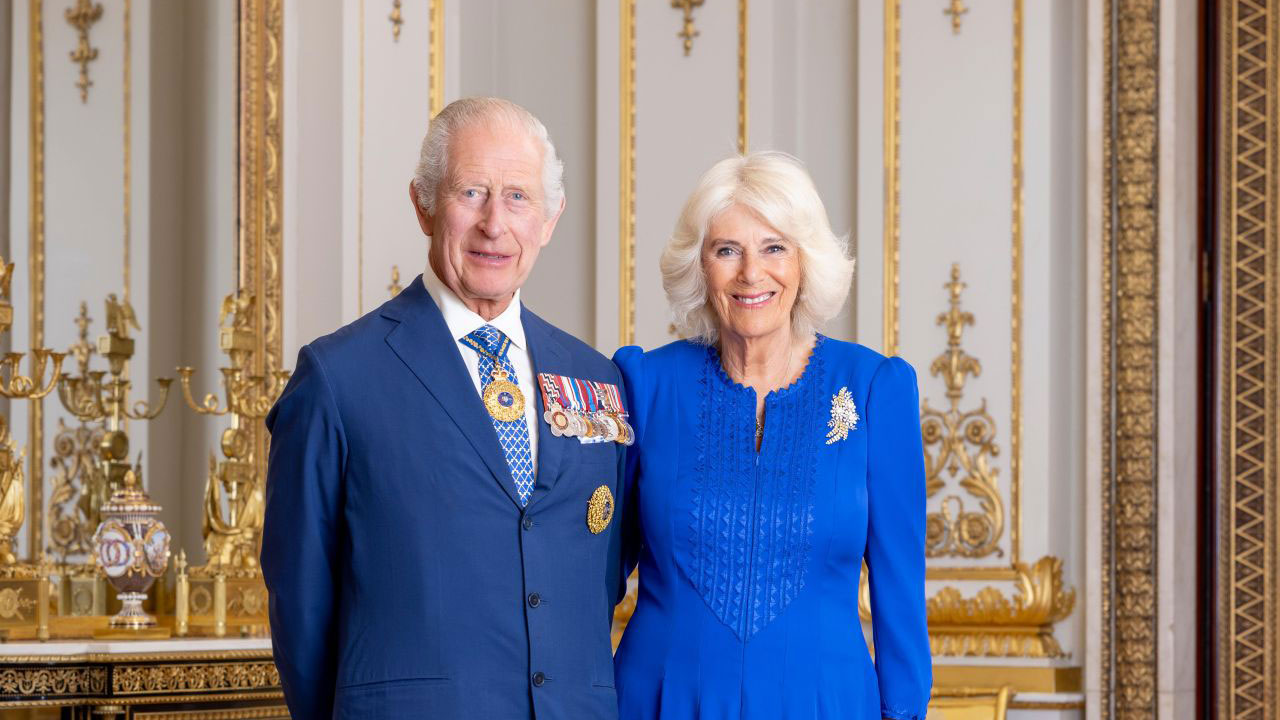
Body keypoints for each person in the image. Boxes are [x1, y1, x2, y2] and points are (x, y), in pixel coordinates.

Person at [262, 97, 629, 720]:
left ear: (550, 217)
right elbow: (301, 602)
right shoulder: (336, 379)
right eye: (471, 193)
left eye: (518, 197)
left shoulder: (597, 378)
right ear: (423, 204)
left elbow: (602, 572)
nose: (495, 223)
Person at [612, 152, 932, 719]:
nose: (751, 273)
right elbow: (595, 576)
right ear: (700, 265)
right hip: (662, 700)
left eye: (774, 247)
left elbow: (900, 593)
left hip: (824, 704)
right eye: (727, 250)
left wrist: (903, 712)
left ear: (806, 262)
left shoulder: (876, 389)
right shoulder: (644, 384)